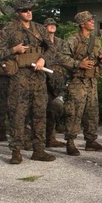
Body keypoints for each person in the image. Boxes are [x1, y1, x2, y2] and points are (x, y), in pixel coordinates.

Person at [0, 0, 56, 164]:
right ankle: (16, 151)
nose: (28, 12)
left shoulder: (39, 29)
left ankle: (39, 150)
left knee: (39, 114)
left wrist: (43, 59)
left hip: (38, 76)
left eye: (30, 10)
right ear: (17, 13)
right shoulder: (9, 29)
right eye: (24, 10)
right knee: (18, 114)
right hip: (19, 77)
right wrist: (14, 50)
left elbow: (52, 49)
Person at [59, 11, 102, 156]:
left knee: (92, 112)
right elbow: (62, 58)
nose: (92, 22)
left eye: (92, 20)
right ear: (82, 24)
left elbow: (97, 57)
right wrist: (78, 64)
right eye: (89, 20)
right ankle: (70, 142)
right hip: (77, 81)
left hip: (91, 80)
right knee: (74, 112)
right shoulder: (73, 40)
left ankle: (91, 140)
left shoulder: (95, 40)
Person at [41, 17, 66, 148]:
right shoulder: (41, 42)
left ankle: (51, 137)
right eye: (49, 25)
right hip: (44, 77)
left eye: (54, 25)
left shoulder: (60, 42)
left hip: (59, 77)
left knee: (55, 108)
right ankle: (43, 137)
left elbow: (66, 58)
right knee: (44, 109)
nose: (52, 26)